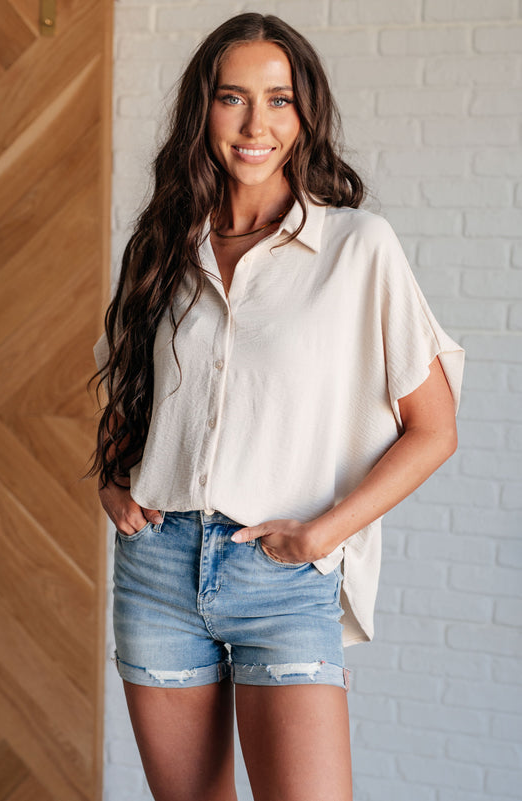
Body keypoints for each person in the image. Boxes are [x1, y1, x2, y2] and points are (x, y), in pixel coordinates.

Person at [91, 12, 464, 801]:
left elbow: (433, 429)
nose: (254, 124)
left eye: (278, 100)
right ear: (203, 111)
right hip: (157, 569)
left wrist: (321, 534)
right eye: (232, 98)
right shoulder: (161, 246)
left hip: (283, 577)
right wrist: (113, 478)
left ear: (304, 114)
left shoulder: (358, 248)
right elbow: (129, 387)